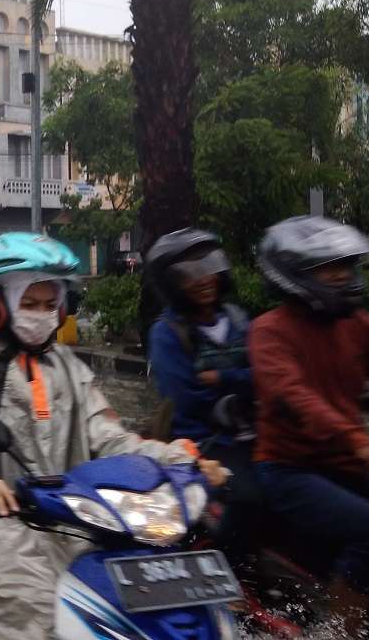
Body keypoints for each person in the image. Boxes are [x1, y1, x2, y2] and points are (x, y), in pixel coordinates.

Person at [0, 232, 226, 638]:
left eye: (50, 304)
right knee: (35, 613)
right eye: (29, 304)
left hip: (74, 516)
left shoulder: (69, 367)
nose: (42, 314)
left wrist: (180, 462)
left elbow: (110, 437)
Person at [249, 216, 369, 634]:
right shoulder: (269, 332)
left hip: (347, 462)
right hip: (291, 469)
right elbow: (295, 395)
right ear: (293, 274)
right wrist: (359, 440)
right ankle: (343, 629)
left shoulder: (357, 325)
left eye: (346, 265)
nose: (342, 275)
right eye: (329, 267)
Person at [146, 229, 260, 571]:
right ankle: (233, 571)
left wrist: (227, 379)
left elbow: (268, 374)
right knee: (249, 495)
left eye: (208, 268)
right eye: (189, 275)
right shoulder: (167, 333)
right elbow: (187, 399)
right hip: (207, 440)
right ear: (172, 284)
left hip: (258, 430)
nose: (203, 280)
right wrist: (244, 389)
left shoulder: (239, 321)